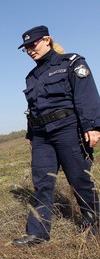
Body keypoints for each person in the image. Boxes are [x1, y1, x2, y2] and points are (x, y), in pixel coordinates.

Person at [13, 25, 100, 246]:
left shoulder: (71, 62)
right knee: (42, 183)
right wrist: (32, 138)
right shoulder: (31, 77)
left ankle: (95, 225)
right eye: (26, 48)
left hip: (68, 129)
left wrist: (92, 127)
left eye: (33, 44)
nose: (30, 50)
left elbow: (86, 95)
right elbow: (34, 109)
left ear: (47, 40)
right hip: (42, 136)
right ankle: (38, 233)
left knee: (80, 180)